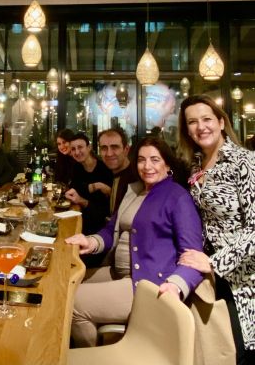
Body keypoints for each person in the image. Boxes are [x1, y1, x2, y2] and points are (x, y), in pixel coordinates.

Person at [65, 136, 203, 347]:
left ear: (167, 164)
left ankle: (95, 356)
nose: (147, 166)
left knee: (72, 302)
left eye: (155, 160)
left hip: (147, 282)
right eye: (141, 160)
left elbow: (193, 256)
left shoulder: (177, 197)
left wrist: (176, 286)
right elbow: (111, 230)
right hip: (118, 271)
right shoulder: (135, 190)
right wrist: (91, 242)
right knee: (66, 283)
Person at [177, 94, 255, 363]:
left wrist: (214, 262)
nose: (201, 127)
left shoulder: (245, 162)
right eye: (192, 122)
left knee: (240, 351)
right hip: (212, 275)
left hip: (244, 278)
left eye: (207, 119)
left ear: (221, 122)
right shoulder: (196, 165)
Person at [65, 133, 113, 236]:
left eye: (80, 147)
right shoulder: (76, 167)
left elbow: (104, 209)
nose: (77, 152)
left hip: (101, 226)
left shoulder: (104, 168)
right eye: (73, 149)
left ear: (89, 147)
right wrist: (96, 186)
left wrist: (82, 199)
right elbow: (73, 189)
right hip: (81, 217)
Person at [93, 128, 137, 214]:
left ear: (126, 150)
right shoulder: (109, 173)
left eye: (115, 147)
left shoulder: (135, 180)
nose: (109, 154)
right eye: (104, 148)